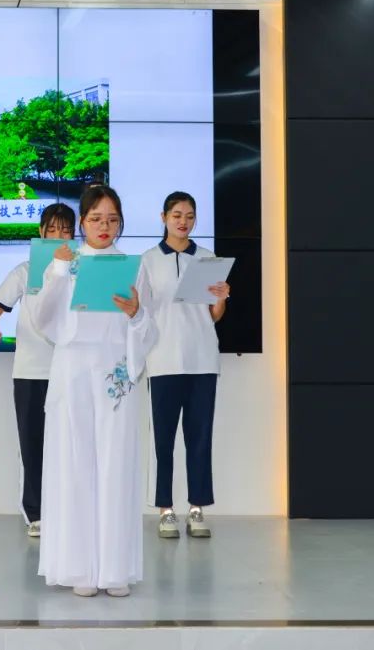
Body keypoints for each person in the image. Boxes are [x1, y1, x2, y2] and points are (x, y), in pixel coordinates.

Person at [30, 185, 157, 598]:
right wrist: (58, 271)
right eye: (97, 219)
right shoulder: (64, 263)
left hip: (115, 372)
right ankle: (79, 567)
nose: (105, 227)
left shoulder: (133, 267)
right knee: (75, 463)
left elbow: (149, 327)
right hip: (73, 369)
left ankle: (114, 569)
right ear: (82, 222)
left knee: (115, 464)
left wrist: (136, 314)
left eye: (113, 219)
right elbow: (43, 319)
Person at [139, 191, 230, 539]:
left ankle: (197, 507)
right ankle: (165, 509)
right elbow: (141, 313)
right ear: (163, 217)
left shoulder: (207, 259)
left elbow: (213, 316)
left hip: (202, 359)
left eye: (190, 216)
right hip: (162, 360)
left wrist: (221, 299)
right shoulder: (147, 261)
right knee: (162, 441)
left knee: (200, 438)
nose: (183, 222)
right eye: (177, 215)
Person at [0, 203, 76, 538]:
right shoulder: (24, 271)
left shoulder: (81, 271)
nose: (58, 236)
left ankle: (67, 511)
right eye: (52, 230)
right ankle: (35, 513)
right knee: (33, 445)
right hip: (30, 371)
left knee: (69, 446)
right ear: (41, 232)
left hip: (69, 370)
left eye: (65, 230)